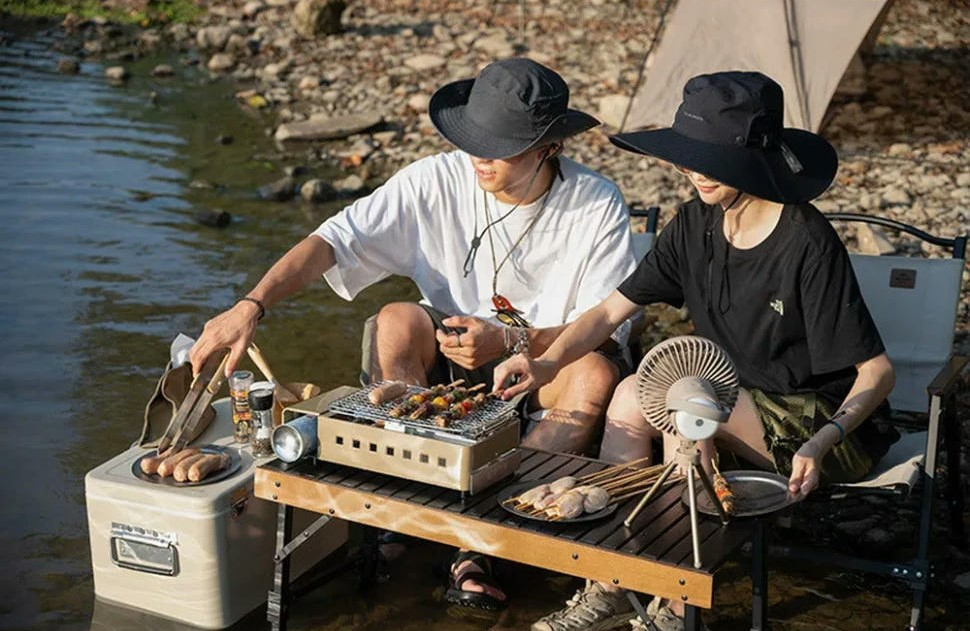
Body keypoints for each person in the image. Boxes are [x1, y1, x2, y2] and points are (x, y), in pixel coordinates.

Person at [188, 57, 638, 610]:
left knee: (594, 372)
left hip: (543, 369)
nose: (479, 156)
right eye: (474, 138)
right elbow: (332, 241)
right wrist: (252, 304)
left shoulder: (596, 205)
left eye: (500, 145)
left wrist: (509, 341)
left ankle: (482, 541)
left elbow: (605, 329)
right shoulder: (438, 178)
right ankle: (410, 488)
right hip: (446, 363)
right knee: (396, 318)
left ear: (549, 146)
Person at [493, 71, 899, 631]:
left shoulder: (806, 241)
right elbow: (610, 312)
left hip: (818, 426)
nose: (692, 172)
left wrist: (826, 440)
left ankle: (677, 606)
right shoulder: (693, 224)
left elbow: (876, 371)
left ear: (752, 160)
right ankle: (613, 582)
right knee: (633, 393)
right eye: (687, 156)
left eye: (709, 160)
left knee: (689, 405)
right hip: (717, 402)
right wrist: (545, 363)